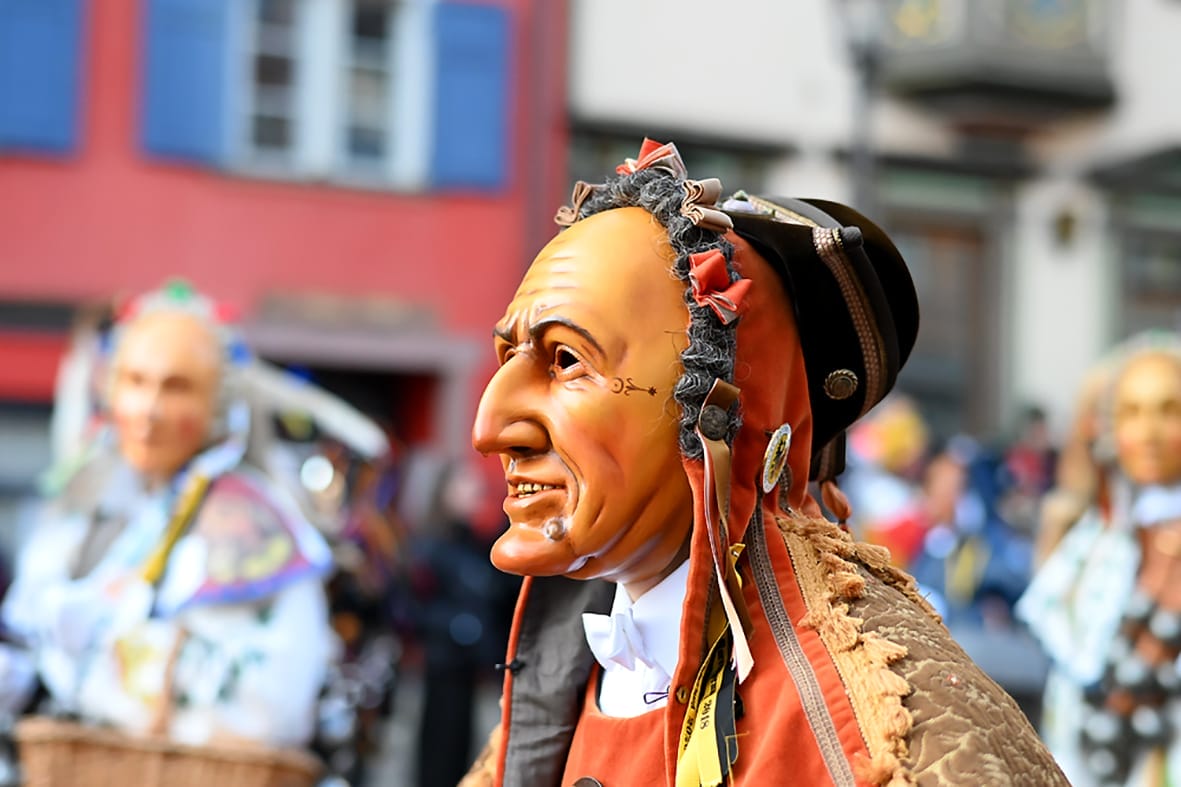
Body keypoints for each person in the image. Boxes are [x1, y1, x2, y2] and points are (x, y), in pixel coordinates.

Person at [461, 139, 1065, 785]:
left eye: (566, 359)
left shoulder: (886, 725)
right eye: (507, 358)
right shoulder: (558, 690)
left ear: (723, 412)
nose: (490, 430)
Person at [1, 281, 337, 749]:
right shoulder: (96, 507)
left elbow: (271, 708)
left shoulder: (251, 524)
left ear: (218, 402)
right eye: (135, 381)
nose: (150, 410)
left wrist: (110, 666)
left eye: (177, 387)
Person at [1018, 335, 1181, 785]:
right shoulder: (1092, 539)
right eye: (1132, 412)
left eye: (1169, 410)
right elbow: (1072, 652)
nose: (1149, 433)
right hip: (1086, 751)